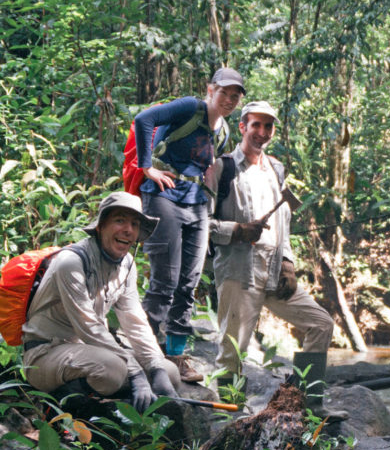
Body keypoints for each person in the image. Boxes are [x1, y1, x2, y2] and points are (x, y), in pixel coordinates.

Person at [208, 101, 344, 420]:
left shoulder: (277, 168)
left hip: (274, 273)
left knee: (321, 323)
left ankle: (309, 405)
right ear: (242, 126)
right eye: (256, 125)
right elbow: (200, 224)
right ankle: (230, 417)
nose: (262, 132)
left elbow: (284, 221)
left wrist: (288, 262)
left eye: (268, 127)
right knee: (232, 349)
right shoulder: (221, 167)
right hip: (238, 273)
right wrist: (237, 230)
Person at [22, 191, 180, 414]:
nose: (129, 230)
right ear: (100, 226)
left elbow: (135, 321)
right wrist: (135, 374)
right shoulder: (71, 262)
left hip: (89, 351)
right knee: (113, 370)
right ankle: (60, 403)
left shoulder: (126, 265)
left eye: (135, 224)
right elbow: (88, 327)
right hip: (46, 352)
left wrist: (156, 368)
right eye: (119, 220)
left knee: (169, 371)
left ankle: (112, 395)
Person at [135, 68, 244, 382]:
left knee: (188, 284)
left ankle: (176, 357)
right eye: (224, 92)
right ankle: (144, 352)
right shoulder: (190, 107)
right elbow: (145, 119)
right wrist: (146, 168)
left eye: (235, 95)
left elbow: (209, 166)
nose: (229, 99)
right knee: (165, 280)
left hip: (197, 204)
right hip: (163, 196)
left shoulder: (223, 130)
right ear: (210, 90)